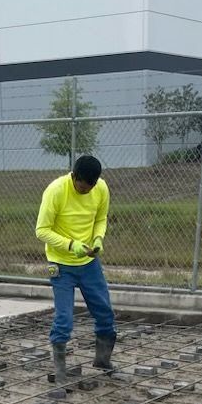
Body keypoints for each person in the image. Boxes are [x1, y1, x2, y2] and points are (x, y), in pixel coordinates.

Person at [35, 153, 116, 385]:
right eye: (82, 188)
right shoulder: (56, 191)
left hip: (89, 263)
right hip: (61, 264)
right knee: (64, 320)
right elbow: (42, 230)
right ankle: (60, 371)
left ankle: (102, 360)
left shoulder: (100, 188)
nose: (86, 192)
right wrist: (72, 245)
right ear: (74, 177)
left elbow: (101, 218)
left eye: (90, 188)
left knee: (104, 312)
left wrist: (98, 239)